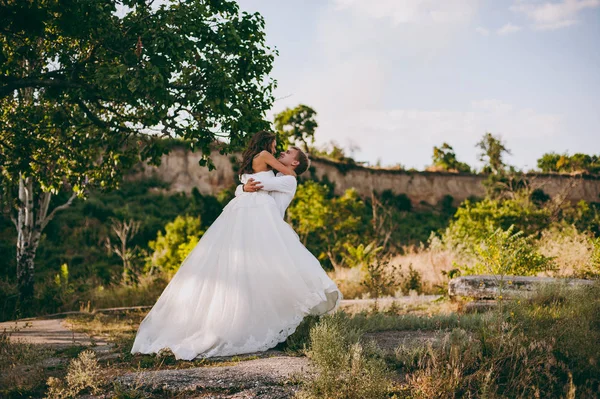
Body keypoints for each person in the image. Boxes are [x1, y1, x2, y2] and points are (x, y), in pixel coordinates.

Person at [131, 131, 341, 360]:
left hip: (266, 227)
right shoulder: (274, 170)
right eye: (278, 147)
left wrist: (244, 187)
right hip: (256, 224)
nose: (281, 150)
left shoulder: (289, 178)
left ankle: (264, 326)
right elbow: (246, 186)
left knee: (268, 278)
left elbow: (256, 182)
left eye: (288, 152)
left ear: (295, 162)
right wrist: (243, 189)